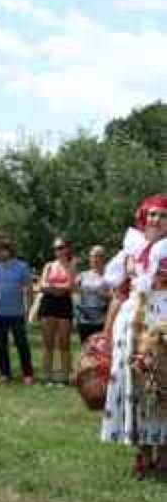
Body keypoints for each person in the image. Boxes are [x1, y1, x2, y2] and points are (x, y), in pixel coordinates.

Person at [102, 195, 167, 477]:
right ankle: (142, 452)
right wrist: (106, 332)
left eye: (163, 215)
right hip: (132, 319)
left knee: (160, 382)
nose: (156, 219)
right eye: (152, 214)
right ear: (143, 216)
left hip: (162, 316)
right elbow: (118, 292)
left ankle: (163, 453)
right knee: (134, 383)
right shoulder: (131, 248)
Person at [0, 238, 34, 384]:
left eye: (2, 250)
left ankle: (27, 374)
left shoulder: (22, 267)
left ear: (9, 251)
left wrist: (29, 308)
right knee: (1, 345)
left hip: (17, 312)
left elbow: (29, 289)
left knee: (22, 344)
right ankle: (4, 373)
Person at [38, 237, 75, 385]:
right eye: (55, 248)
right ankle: (48, 377)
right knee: (48, 343)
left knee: (64, 343)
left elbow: (71, 286)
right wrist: (59, 288)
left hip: (64, 305)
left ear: (67, 249)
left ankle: (65, 378)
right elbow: (42, 285)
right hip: (48, 305)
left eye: (60, 247)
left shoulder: (71, 266)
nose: (58, 251)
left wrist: (53, 287)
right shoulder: (48, 266)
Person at [75, 245, 111, 344]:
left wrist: (100, 293)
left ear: (103, 258)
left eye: (97, 256)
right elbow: (73, 289)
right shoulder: (83, 275)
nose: (94, 259)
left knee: (99, 350)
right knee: (85, 348)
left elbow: (114, 296)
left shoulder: (109, 276)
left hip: (102, 320)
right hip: (84, 319)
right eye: (92, 256)